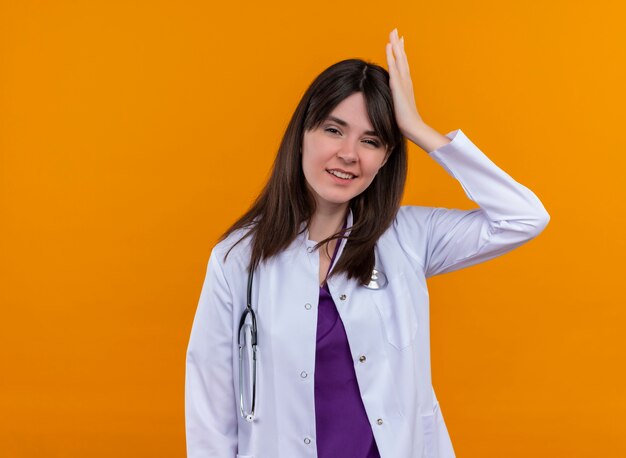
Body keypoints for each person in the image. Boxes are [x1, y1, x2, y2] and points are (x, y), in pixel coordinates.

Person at [185, 28, 550, 458]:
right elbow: (211, 411)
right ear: (303, 133)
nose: (349, 154)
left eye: (371, 140)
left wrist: (417, 128)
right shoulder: (237, 259)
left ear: (386, 157)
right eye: (334, 130)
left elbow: (524, 216)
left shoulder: (409, 237)